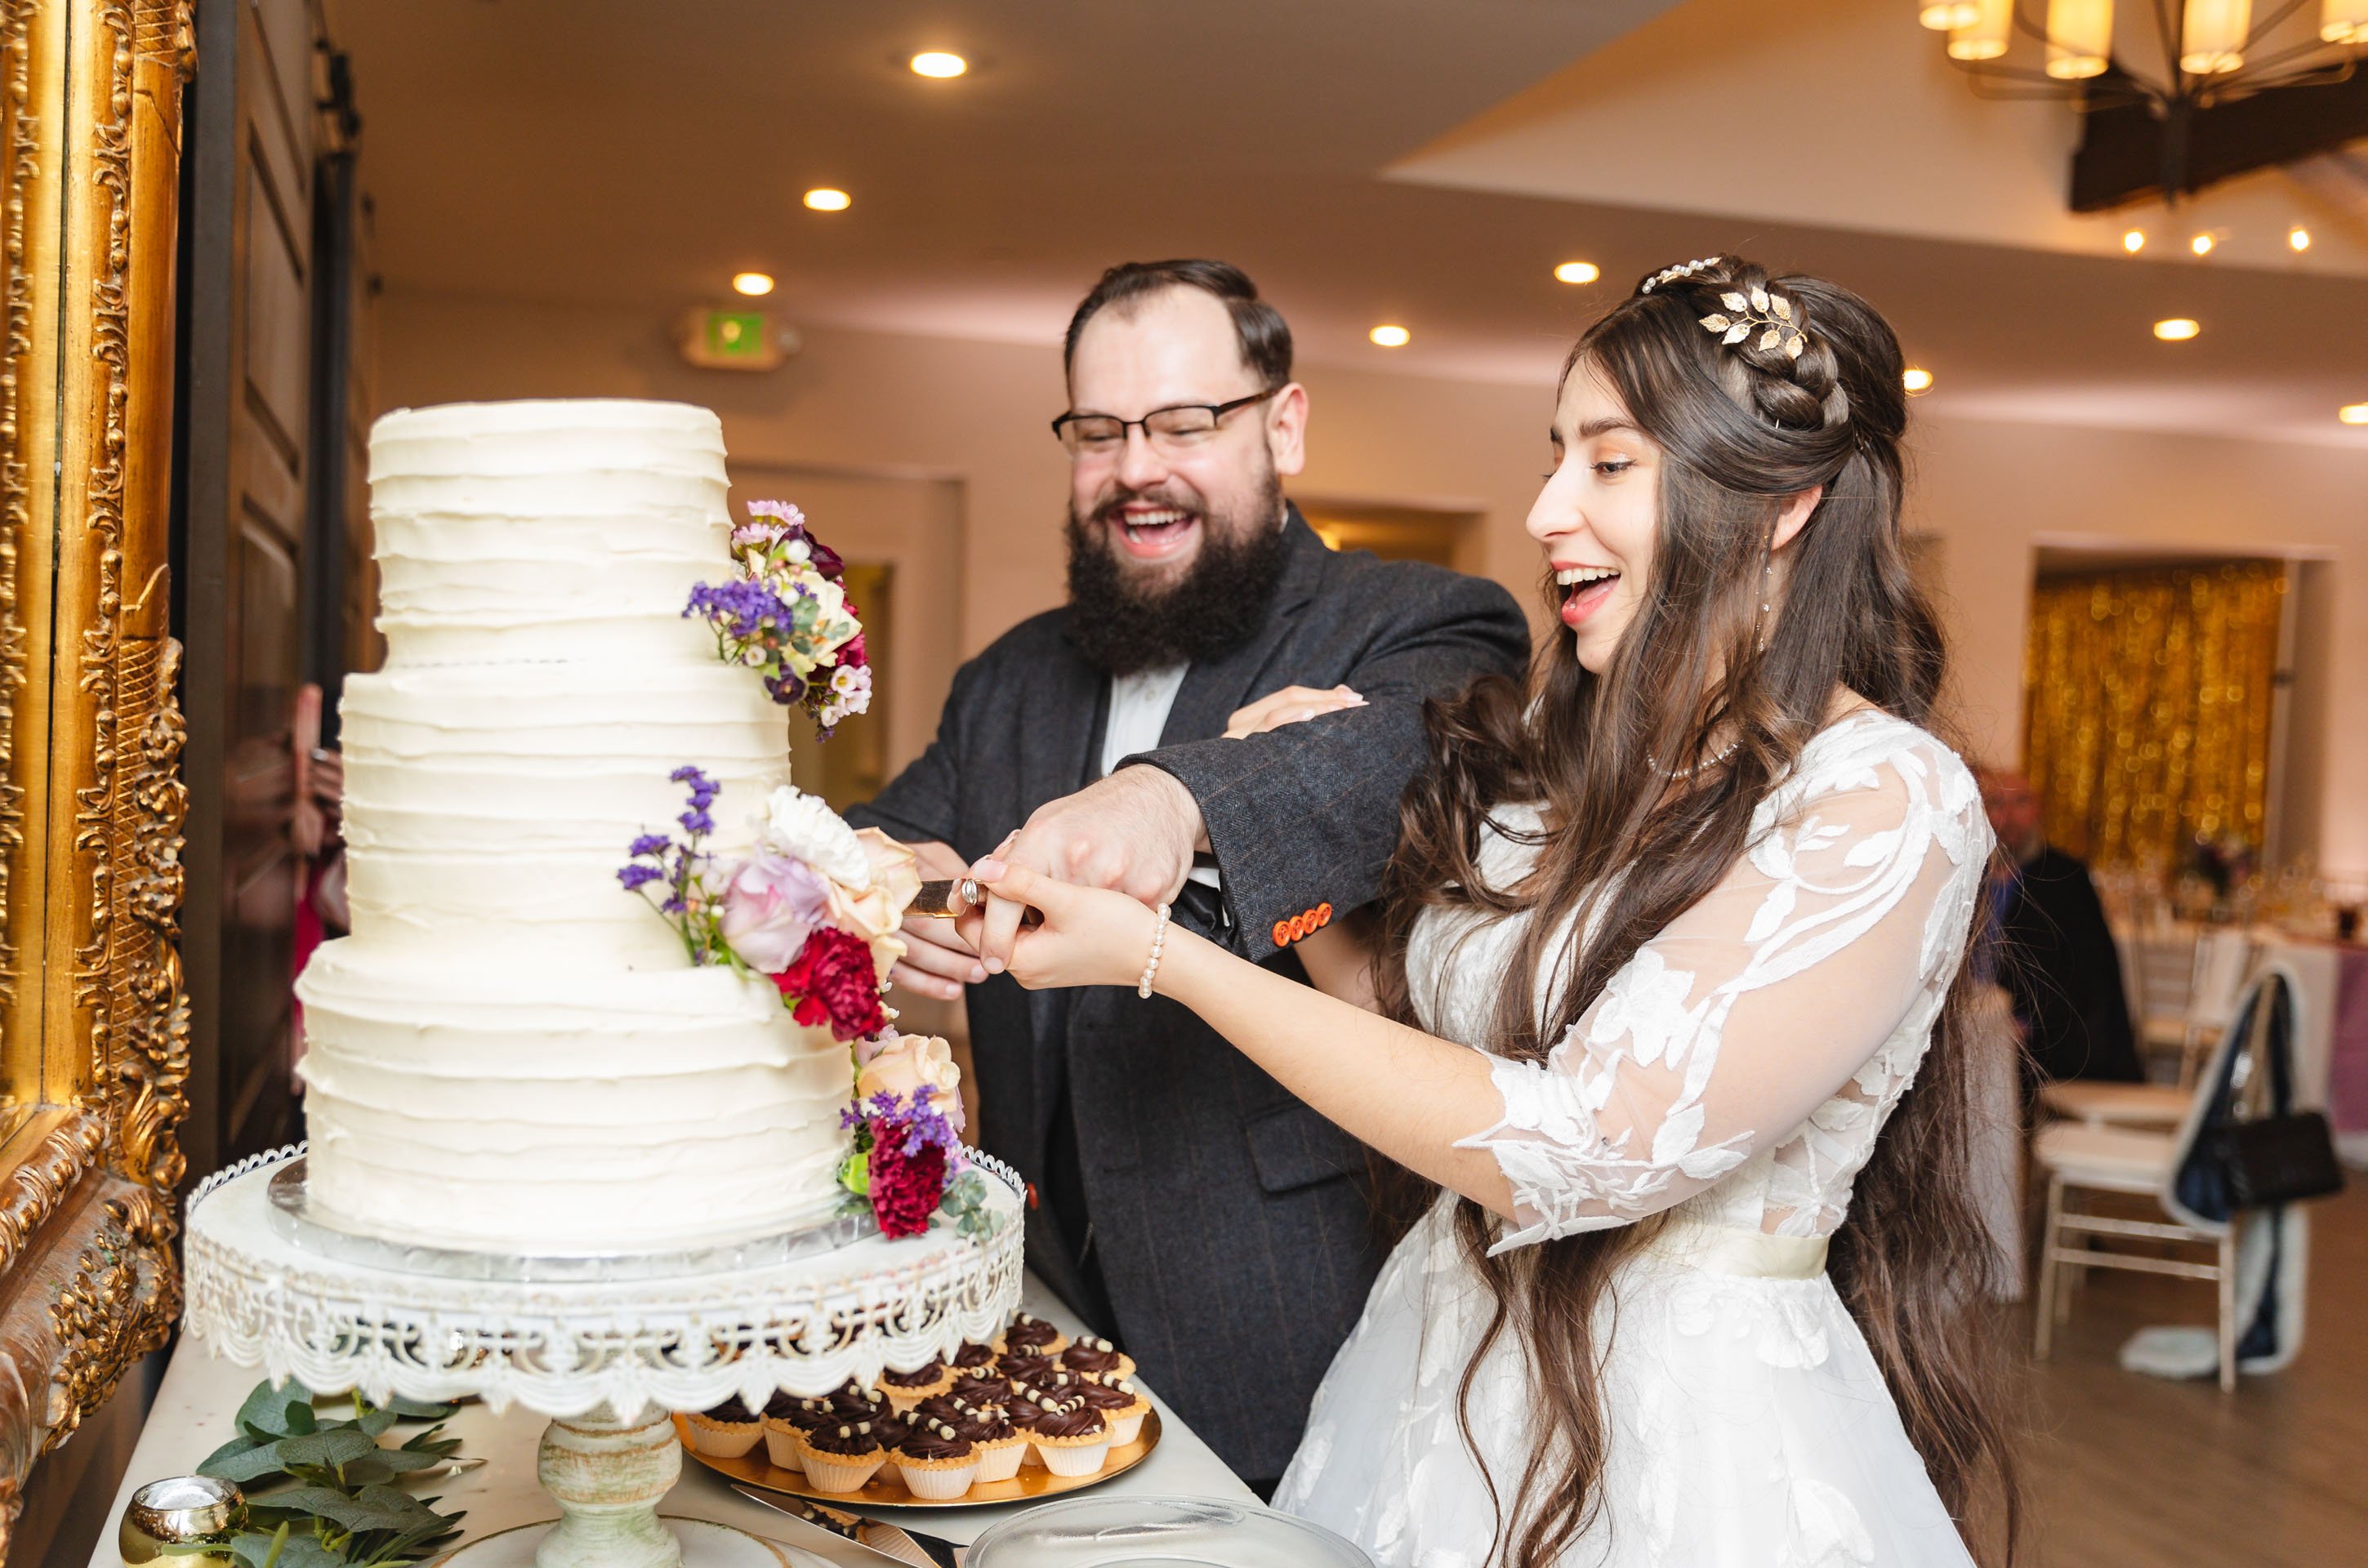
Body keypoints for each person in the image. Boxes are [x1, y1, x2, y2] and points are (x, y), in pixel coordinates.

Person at [961, 257, 2020, 1566]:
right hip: (1435, 1377)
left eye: (1606, 465)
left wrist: (1165, 960)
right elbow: (1421, 1046)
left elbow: (1579, 1146)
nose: (1543, 510)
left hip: (1679, 1449)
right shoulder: (1581, 756)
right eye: (1552, 458)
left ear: (1782, 505)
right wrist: (1302, 893)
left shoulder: (1882, 797)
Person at [845, 259, 1528, 1488]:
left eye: (1181, 424)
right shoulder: (1007, 675)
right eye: (1097, 433)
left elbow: (1388, 759)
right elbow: (895, 832)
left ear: (1283, 424)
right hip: (1042, 1306)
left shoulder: (1423, 618)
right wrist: (887, 880)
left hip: (1289, 1323)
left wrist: (1172, 798)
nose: (1134, 469)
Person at [1977, 765, 2143, 1085]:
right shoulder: (1972, 875)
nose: (2009, 816)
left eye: (2021, 803)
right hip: (1976, 1026)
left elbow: (2084, 973)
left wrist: (2026, 1024)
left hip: (2047, 1040)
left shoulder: (2064, 877)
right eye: (1997, 803)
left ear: (2038, 810)